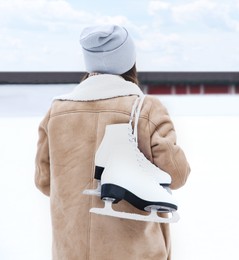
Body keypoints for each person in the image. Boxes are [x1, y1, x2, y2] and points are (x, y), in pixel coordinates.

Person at [34, 24, 190, 260]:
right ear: (129, 62)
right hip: (135, 252)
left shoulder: (56, 113)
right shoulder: (145, 109)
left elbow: (44, 182)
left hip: (71, 252)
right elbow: (176, 175)